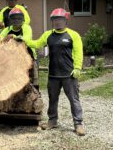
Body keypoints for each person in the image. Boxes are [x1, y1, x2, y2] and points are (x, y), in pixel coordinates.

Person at [25, 8, 85, 136]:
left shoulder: (73, 35)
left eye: (60, 19)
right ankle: (52, 121)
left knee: (74, 99)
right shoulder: (48, 35)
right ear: (52, 21)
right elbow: (36, 44)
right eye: (55, 20)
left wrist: (78, 68)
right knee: (53, 99)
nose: (57, 22)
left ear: (65, 20)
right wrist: (23, 39)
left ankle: (78, 124)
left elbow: (78, 52)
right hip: (53, 75)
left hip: (69, 75)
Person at [0, 8, 38, 89]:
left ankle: (36, 94)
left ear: (23, 19)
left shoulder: (26, 27)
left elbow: (26, 39)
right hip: (13, 57)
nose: (16, 20)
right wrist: (2, 40)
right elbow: (0, 41)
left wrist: (13, 36)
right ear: (10, 20)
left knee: (34, 79)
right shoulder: (7, 29)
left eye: (19, 18)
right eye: (14, 18)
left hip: (29, 55)